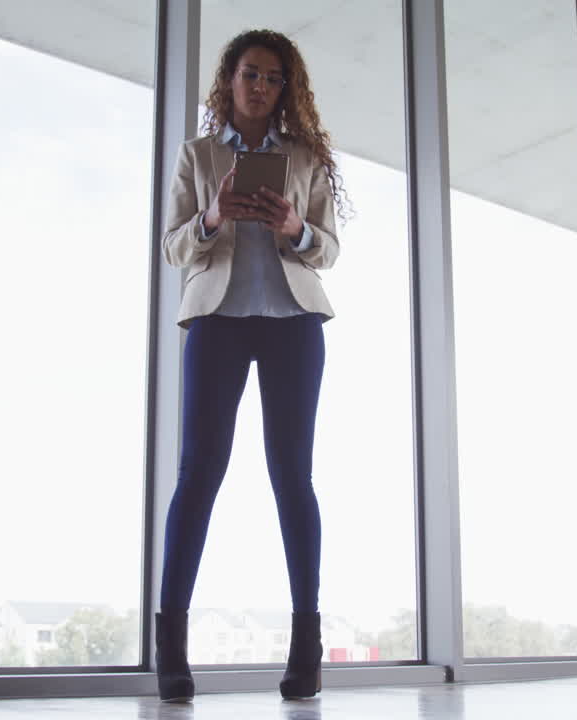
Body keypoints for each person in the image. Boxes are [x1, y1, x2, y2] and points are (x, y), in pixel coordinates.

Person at [156, 28, 347, 703]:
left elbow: (327, 249)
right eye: (250, 75)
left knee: (293, 478)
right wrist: (214, 215)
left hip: (295, 325)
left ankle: (306, 653)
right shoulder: (198, 155)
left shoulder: (304, 157)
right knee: (197, 476)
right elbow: (176, 247)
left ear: (283, 88)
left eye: (272, 77)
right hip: (217, 322)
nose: (261, 87)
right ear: (228, 81)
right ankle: (171, 653)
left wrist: (293, 227)